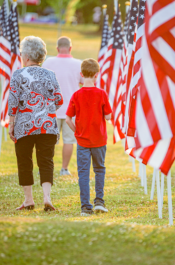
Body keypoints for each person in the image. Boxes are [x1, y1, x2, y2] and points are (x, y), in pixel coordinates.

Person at [8, 36, 63, 211]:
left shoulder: (18, 74)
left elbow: (13, 102)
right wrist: (45, 107)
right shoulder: (50, 74)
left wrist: (11, 124)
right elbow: (59, 99)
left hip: (24, 125)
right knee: (46, 160)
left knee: (25, 161)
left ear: (27, 56)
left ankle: (29, 200)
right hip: (47, 124)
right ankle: (47, 197)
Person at [65, 58, 112, 216]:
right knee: (99, 169)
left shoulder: (76, 95)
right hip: (99, 140)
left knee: (83, 173)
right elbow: (108, 117)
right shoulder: (101, 94)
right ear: (97, 75)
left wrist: (77, 131)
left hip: (82, 141)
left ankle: (86, 206)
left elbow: (67, 119)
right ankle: (99, 201)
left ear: (81, 74)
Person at [42, 36, 83, 176]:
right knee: (69, 141)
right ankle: (64, 169)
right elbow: (85, 82)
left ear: (57, 48)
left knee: (49, 142)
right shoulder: (78, 64)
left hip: (51, 108)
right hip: (70, 111)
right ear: (70, 48)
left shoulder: (48, 62)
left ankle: (48, 168)